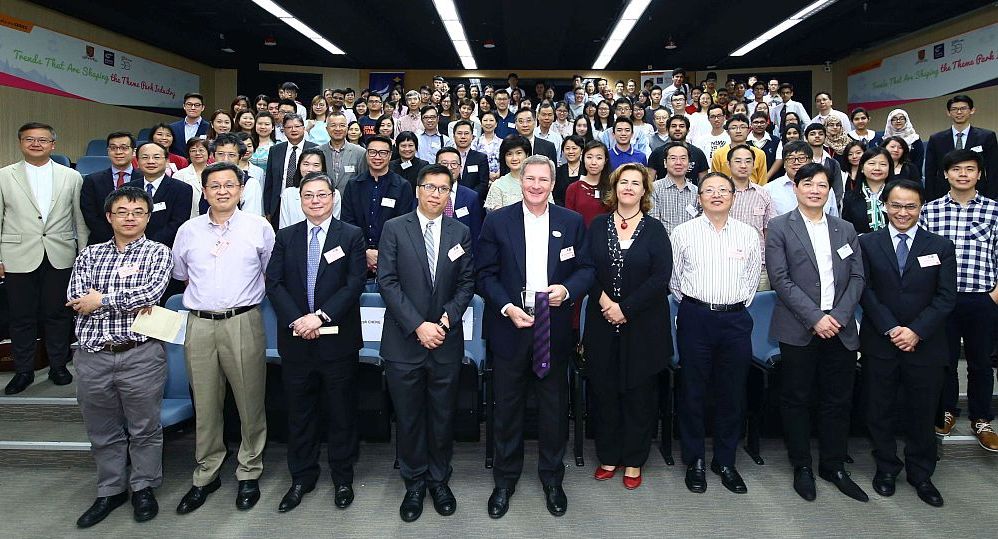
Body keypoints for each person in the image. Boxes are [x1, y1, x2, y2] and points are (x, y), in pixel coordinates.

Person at [476, 154, 594, 519]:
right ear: (520, 180)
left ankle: (552, 478)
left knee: (553, 408)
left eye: (544, 179)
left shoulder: (571, 221)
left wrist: (567, 291)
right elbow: (484, 274)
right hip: (510, 326)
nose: (537, 185)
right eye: (530, 179)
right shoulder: (497, 220)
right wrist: (507, 307)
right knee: (508, 407)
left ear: (553, 182)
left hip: (553, 326)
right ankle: (505, 481)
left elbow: (587, 269)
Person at [171, 162, 274, 514]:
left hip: (243, 321)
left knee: (249, 399)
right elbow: (181, 273)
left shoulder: (259, 228)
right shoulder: (188, 230)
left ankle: (249, 470)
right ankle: (207, 472)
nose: (223, 191)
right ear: (204, 191)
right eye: (214, 185)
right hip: (198, 324)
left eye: (230, 185)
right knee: (205, 401)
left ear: (241, 190)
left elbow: (268, 270)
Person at [68, 186, 174, 528]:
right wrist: (115, 300)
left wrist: (101, 300)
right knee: (102, 428)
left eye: (138, 212)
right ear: (109, 217)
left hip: (139, 354)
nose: (130, 218)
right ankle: (110, 489)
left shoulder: (158, 253)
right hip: (92, 354)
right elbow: (76, 298)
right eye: (123, 212)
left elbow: (150, 292)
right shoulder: (89, 255)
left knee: (144, 427)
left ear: (148, 217)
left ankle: (144, 486)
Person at [376, 164, 474, 522]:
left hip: (445, 340)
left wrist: (445, 320)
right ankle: (414, 482)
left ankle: (438, 479)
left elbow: (467, 283)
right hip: (405, 341)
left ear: (450, 194)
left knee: (442, 415)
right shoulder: (394, 228)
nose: (436, 194)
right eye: (430, 187)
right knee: (409, 416)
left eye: (443, 188)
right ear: (418, 190)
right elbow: (387, 282)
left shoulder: (460, 231)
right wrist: (419, 325)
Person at [766, 162, 867, 503]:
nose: (814, 190)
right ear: (795, 188)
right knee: (797, 398)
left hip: (839, 327)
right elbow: (780, 279)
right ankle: (802, 465)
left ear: (829, 190)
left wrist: (837, 316)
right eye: (807, 183)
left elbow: (857, 277)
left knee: (838, 399)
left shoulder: (845, 229)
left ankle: (834, 465)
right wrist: (815, 318)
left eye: (821, 184)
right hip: (799, 327)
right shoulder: (779, 226)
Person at [265, 172, 366, 513]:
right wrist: (299, 320)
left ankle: (342, 477)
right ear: (300, 200)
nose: (315, 201)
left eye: (322, 194)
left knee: (341, 411)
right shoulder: (286, 237)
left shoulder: (351, 235)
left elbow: (353, 285)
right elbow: (274, 284)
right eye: (308, 195)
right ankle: (302, 476)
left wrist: (319, 317)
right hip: (297, 341)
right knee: (300, 412)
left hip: (337, 340)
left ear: (333, 197)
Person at [858, 179, 956, 508]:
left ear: (921, 208)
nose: (903, 212)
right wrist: (891, 328)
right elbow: (865, 291)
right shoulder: (867, 243)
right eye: (896, 205)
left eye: (910, 206)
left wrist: (915, 331)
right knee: (880, 409)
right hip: (880, 342)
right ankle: (886, 467)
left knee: (922, 411)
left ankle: (921, 473)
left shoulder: (940, 246)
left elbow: (945, 298)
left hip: (925, 344)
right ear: (884, 205)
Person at [671, 171, 761, 495]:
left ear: (733, 197)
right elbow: (675, 279)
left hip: (736, 320)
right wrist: (698, 305)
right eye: (709, 190)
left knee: (732, 393)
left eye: (724, 189)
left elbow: (752, 279)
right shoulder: (683, 233)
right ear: (700, 197)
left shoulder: (749, 234)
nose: (717, 195)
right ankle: (694, 459)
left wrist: (731, 305)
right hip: (695, 316)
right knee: (693, 391)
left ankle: (725, 460)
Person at [584, 163, 671, 490]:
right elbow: (586, 267)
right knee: (605, 391)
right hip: (602, 322)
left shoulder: (655, 229)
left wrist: (626, 308)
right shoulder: (596, 226)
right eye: (624, 182)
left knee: (639, 394)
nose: (630, 188)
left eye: (637, 183)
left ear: (644, 192)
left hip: (644, 325)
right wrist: (607, 302)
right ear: (615, 188)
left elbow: (661, 277)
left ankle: (634, 460)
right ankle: (608, 456)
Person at [1, 122, 89, 394]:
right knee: (21, 316)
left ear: (53, 144)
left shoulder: (71, 176)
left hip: (60, 255)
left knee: (58, 314)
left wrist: (83, 257)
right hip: (17, 255)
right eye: (30, 139)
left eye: (42, 140)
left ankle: (58, 366)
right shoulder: (4, 176)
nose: (36, 144)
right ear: (20, 143)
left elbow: (79, 220)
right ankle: (24, 371)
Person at [919, 149, 998, 451]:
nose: (963, 174)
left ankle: (982, 419)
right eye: (956, 169)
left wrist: (994, 296)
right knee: (945, 362)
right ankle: (947, 411)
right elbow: (923, 256)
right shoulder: (930, 210)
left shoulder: (994, 210)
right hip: (942, 301)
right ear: (945, 174)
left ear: (980, 174)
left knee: (980, 363)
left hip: (981, 298)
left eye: (969, 169)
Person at [341, 136, 417, 279]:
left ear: (389, 155)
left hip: (392, 259)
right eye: (373, 152)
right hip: (357, 256)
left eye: (383, 153)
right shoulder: (353, 185)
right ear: (366, 154)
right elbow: (347, 222)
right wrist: (365, 252)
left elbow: (404, 225)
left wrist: (381, 254)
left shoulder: (402, 186)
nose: (377, 157)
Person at [924, 95, 997, 200]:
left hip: (979, 193)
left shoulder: (987, 136)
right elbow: (930, 172)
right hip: (943, 194)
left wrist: (992, 197)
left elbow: (993, 170)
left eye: (963, 108)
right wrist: (930, 198)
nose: (959, 112)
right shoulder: (936, 139)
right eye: (954, 109)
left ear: (972, 110)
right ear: (948, 112)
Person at [727, 145, 776, 290]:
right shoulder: (720, 193)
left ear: (754, 165)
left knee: (759, 309)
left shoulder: (763, 194)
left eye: (748, 161)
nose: (743, 165)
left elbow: (769, 231)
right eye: (738, 161)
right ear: (728, 164)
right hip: (725, 264)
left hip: (758, 266)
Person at [126, 142, 193, 248]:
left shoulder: (182, 189)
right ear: (137, 162)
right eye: (145, 157)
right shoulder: (126, 189)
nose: (151, 161)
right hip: (130, 246)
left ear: (167, 161)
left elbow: (178, 223)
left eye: (156, 157)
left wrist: (148, 244)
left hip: (167, 248)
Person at [81, 132, 141, 245]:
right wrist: (114, 238)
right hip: (101, 241)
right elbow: (90, 214)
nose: (118, 152)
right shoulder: (92, 180)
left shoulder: (145, 178)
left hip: (138, 241)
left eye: (124, 148)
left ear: (133, 152)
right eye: (113, 148)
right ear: (108, 151)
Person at [263, 114, 317, 227]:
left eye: (297, 126)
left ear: (303, 128)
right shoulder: (275, 150)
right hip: (278, 203)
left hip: (306, 202)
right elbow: (269, 182)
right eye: (289, 127)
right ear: (283, 129)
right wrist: (268, 211)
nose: (293, 130)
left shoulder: (315, 149)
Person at [765, 141, 839, 217]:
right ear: (784, 163)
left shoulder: (823, 188)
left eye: (802, 158)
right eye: (791, 158)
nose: (796, 162)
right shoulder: (769, 189)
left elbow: (833, 218)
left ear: (811, 161)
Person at [650, 142, 700, 235]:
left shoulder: (696, 191)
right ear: (665, 163)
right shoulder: (654, 189)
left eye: (683, 158)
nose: (678, 162)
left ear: (689, 164)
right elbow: (653, 223)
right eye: (673, 158)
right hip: (664, 244)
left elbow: (700, 222)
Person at [841, 147, 893, 233]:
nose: (877, 168)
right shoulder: (849, 197)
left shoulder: (898, 195)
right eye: (872, 163)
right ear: (861, 168)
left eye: (883, 164)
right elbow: (847, 230)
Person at [318, 112, 368, 199]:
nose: (338, 129)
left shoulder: (360, 152)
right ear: (327, 129)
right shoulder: (318, 152)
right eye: (333, 125)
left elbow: (363, 182)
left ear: (347, 128)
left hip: (351, 203)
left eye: (342, 125)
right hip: (323, 203)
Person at [647, 115, 709, 184]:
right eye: (673, 126)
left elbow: (704, 182)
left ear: (688, 130)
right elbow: (649, 181)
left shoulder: (698, 153)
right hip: (662, 193)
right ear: (667, 130)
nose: (677, 129)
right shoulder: (657, 153)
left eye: (681, 126)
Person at [279, 148, 329, 229]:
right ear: (299, 166)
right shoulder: (288, 194)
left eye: (316, 165)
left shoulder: (333, 194)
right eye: (306, 164)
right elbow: (284, 226)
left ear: (322, 168)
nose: (310, 169)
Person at [710, 114, 768, 184]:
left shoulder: (759, 154)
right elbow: (715, 179)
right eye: (734, 128)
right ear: (728, 132)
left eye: (742, 127)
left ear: (749, 130)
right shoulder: (718, 154)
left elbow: (762, 181)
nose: (738, 131)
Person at [564, 141, 611, 227]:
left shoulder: (612, 188)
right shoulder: (573, 188)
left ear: (605, 160)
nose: (593, 162)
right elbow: (569, 220)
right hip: (579, 237)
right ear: (583, 159)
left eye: (599, 158)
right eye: (589, 157)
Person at [484, 136, 535, 212]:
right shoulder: (498, 185)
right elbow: (494, 218)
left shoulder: (538, 181)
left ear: (527, 155)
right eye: (509, 154)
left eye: (519, 153)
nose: (514, 158)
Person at [452, 120, 490, 201]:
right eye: (459, 133)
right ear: (453, 136)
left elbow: (483, 184)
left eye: (466, 133)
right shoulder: (448, 157)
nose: (463, 137)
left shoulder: (481, 158)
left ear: (472, 137)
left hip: (474, 201)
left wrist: (469, 197)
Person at [172, 138, 210, 218]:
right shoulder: (179, 175)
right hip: (188, 218)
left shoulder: (215, 173)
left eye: (201, 150)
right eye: (193, 150)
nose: (197, 153)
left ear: (208, 153)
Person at [882, 109, 925, 177]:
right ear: (890, 121)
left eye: (901, 118)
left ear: (906, 120)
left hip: (911, 177)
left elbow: (918, 161)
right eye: (894, 119)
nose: (898, 121)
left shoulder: (915, 139)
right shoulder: (885, 139)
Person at [170, 93, 208, 157]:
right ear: (184, 106)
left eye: (197, 105)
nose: (193, 108)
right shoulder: (172, 128)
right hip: (177, 165)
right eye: (189, 104)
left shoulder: (209, 128)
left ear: (203, 108)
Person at [472, 111, 503, 184]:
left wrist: (499, 173)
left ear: (496, 124)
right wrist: (487, 174)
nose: (488, 123)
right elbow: (473, 161)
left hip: (498, 181)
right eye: (485, 120)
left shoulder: (502, 143)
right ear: (481, 124)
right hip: (480, 181)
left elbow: (505, 162)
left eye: (491, 120)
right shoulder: (475, 142)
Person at [554, 135, 584, 206]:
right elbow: (556, 196)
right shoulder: (557, 171)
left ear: (581, 151)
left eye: (574, 148)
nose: (570, 151)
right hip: (562, 211)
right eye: (567, 148)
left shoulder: (587, 170)